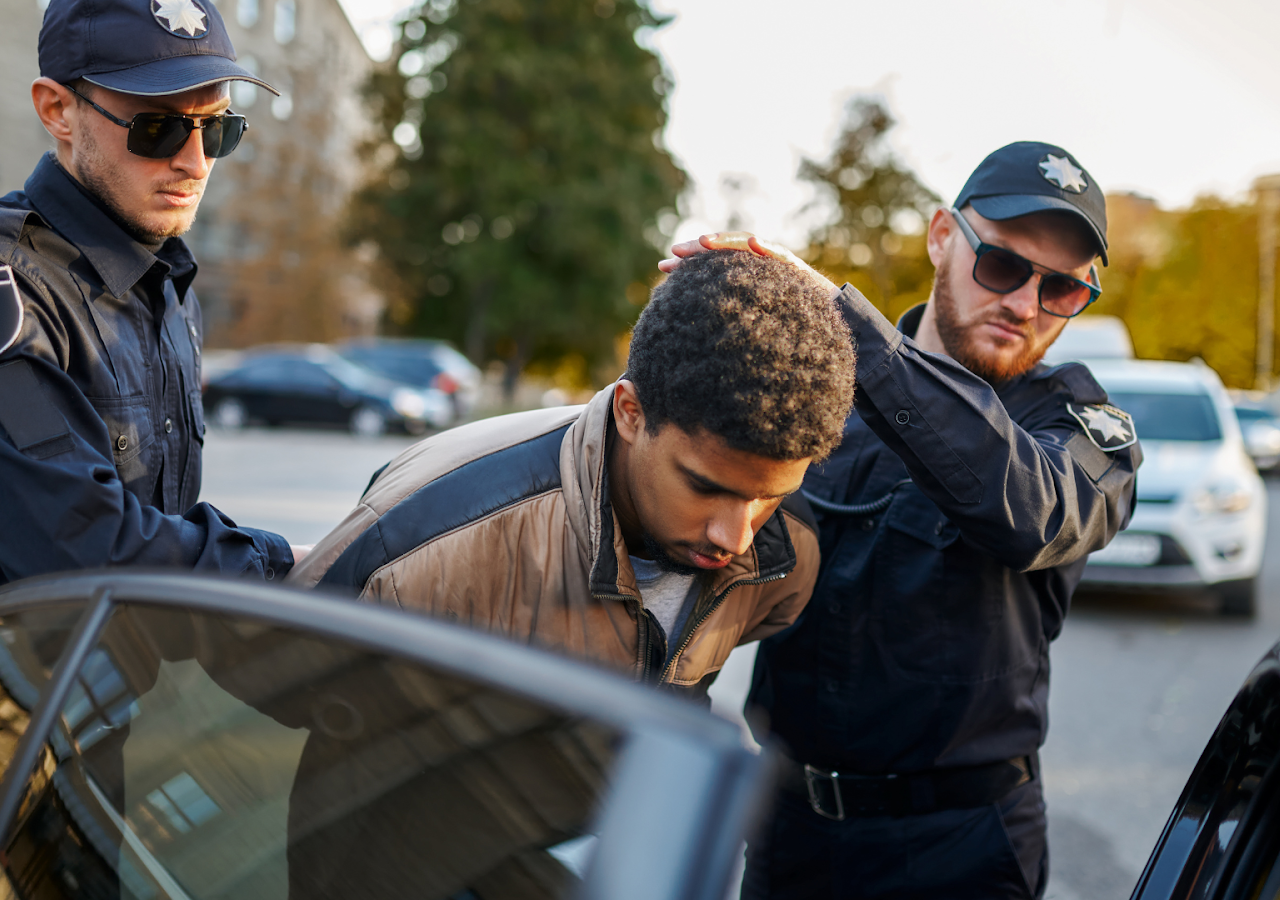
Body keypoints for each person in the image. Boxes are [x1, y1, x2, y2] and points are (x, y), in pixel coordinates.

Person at [0, 0, 307, 805]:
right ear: (58, 110)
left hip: (85, 742)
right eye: (159, 128)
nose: (195, 160)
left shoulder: (163, 285)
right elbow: (84, 546)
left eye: (220, 129)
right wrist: (285, 569)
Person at [664, 142, 1141, 899]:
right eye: (1005, 266)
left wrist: (840, 323)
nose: (1025, 304)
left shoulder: (1082, 426)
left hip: (962, 847)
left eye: (1062, 290)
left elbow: (1031, 511)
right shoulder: (820, 390)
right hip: (792, 831)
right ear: (942, 236)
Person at [290, 250, 855, 691]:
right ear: (631, 413)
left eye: (769, 498)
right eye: (705, 486)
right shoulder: (424, 538)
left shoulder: (791, 550)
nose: (734, 537)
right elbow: (280, 682)